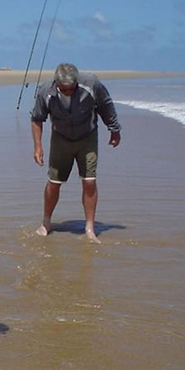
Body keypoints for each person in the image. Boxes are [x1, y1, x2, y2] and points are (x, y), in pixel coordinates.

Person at [30, 63, 122, 243]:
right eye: (64, 90)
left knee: (89, 181)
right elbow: (36, 119)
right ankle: (46, 222)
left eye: (72, 89)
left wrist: (114, 129)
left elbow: (106, 105)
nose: (69, 93)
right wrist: (38, 147)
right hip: (60, 138)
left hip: (87, 137)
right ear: (57, 83)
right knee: (54, 182)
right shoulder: (45, 91)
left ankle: (89, 227)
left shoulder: (91, 84)